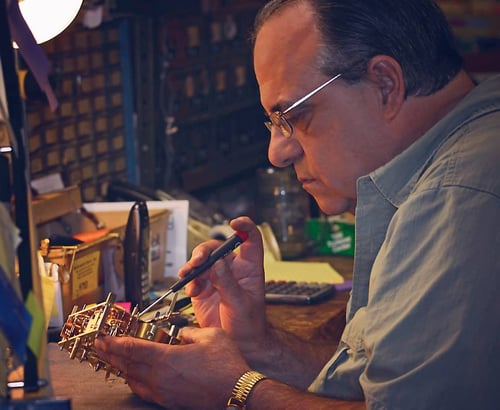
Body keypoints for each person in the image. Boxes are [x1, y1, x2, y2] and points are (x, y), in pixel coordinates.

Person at [95, 0, 500, 408]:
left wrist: (234, 391)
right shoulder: (461, 152)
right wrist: (256, 347)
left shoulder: (458, 197)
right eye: (274, 122)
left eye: (293, 115)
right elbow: (385, 384)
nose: (277, 152)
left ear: (385, 84)